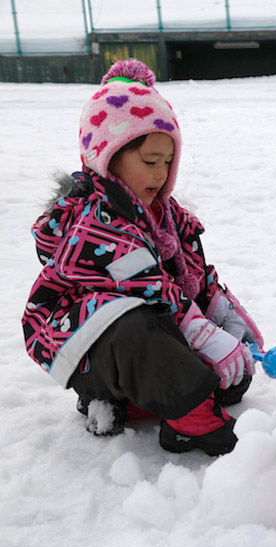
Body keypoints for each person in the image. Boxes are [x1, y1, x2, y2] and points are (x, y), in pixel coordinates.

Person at [22, 59, 263, 456]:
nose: (160, 174)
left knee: (232, 379)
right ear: (108, 157)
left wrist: (222, 312)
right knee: (134, 324)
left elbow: (193, 274)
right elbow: (149, 286)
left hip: (152, 333)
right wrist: (203, 334)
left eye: (168, 162)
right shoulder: (92, 218)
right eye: (150, 162)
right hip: (88, 342)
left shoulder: (167, 215)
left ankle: (131, 403)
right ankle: (191, 421)